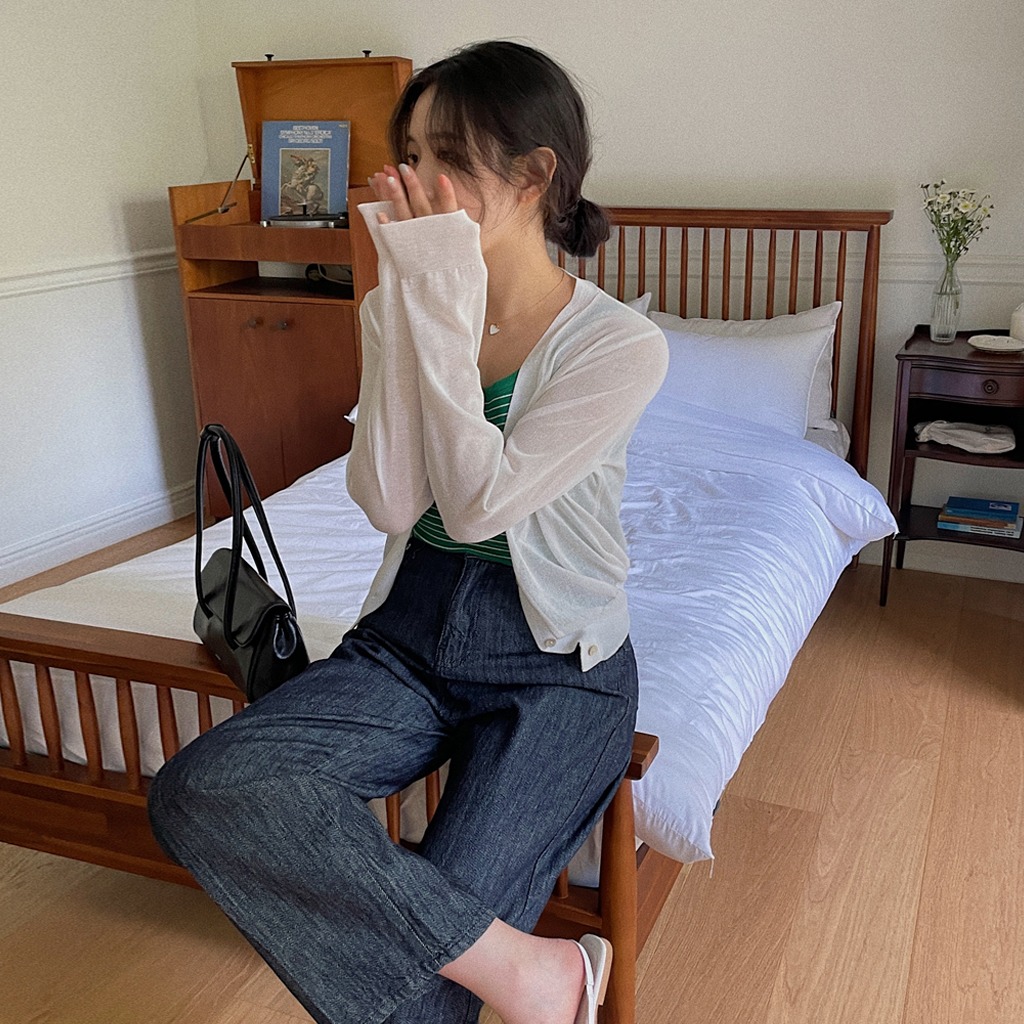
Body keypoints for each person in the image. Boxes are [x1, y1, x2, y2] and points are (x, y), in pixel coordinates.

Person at [148, 40, 667, 1024]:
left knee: (427, 995)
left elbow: (476, 504)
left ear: (535, 175)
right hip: (409, 632)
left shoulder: (619, 345)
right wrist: (410, 306)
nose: (419, 184)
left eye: (450, 158)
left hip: (557, 661)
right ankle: (539, 973)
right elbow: (390, 501)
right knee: (200, 791)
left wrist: (432, 300)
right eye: (412, 155)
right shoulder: (403, 304)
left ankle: (513, 973)